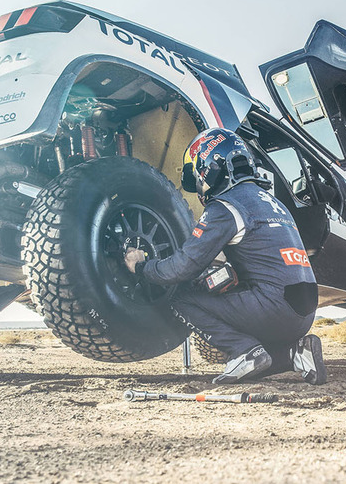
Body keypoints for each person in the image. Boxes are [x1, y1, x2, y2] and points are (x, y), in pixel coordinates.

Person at [123, 128, 326, 385]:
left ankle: (243, 350)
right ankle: (296, 353)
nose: (200, 186)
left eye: (199, 177)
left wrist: (143, 266)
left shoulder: (225, 207)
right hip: (305, 311)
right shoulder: (272, 203)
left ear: (211, 168)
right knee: (221, 288)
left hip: (274, 309)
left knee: (180, 296)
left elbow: (183, 267)